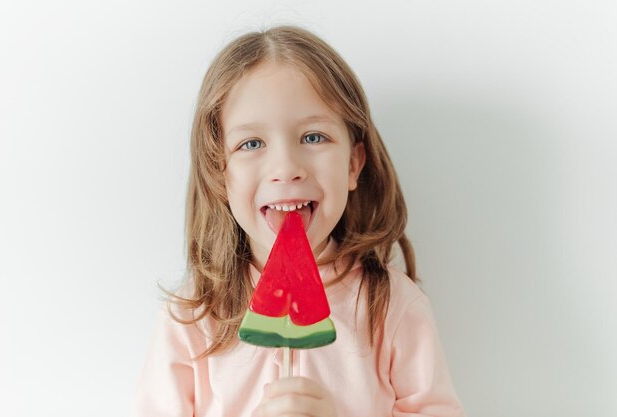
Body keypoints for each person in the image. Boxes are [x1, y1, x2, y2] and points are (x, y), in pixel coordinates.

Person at [133, 25, 466, 417]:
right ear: (218, 174)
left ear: (353, 164)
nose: (286, 168)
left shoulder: (392, 306)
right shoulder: (192, 319)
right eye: (251, 144)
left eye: (312, 137)